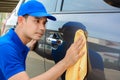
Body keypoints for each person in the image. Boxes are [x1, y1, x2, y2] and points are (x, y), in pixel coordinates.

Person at [0, 0, 85, 80]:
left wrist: (27, 48)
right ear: (21, 20)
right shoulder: (5, 47)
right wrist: (66, 62)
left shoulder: (16, 44)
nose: (42, 28)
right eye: (36, 21)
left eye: (44, 23)